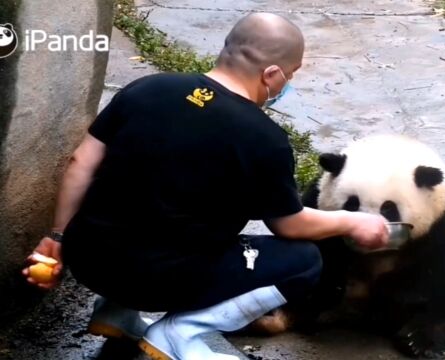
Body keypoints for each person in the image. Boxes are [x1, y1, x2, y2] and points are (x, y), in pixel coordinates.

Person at [22, 12, 388, 360]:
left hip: (90, 261)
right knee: (304, 261)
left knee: (147, 199)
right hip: (162, 280)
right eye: (290, 75)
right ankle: (182, 330)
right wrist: (351, 221)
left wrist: (57, 237)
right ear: (272, 74)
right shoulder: (264, 140)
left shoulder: (147, 88)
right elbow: (289, 225)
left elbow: (80, 163)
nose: (286, 84)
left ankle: (117, 314)